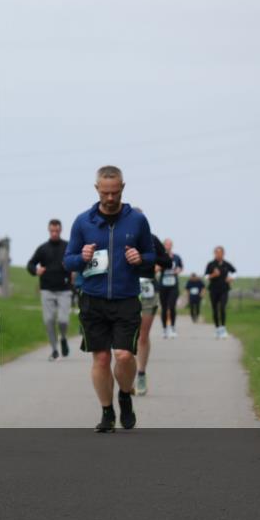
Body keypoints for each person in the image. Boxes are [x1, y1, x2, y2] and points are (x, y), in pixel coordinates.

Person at [63, 166, 155, 432]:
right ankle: (107, 412)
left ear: (123, 187)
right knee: (101, 359)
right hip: (93, 300)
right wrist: (81, 257)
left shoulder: (137, 221)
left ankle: (125, 395)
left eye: (115, 192)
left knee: (124, 355)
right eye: (105, 193)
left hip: (126, 299)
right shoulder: (83, 221)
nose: (110, 198)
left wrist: (140, 258)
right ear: (96, 189)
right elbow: (68, 261)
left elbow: (151, 256)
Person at [26, 219, 73, 361]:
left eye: (57, 231)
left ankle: (63, 338)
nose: (54, 233)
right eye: (52, 231)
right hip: (47, 289)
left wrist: (71, 266)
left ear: (60, 230)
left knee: (63, 320)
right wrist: (36, 270)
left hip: (64, 289)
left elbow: (77, 261)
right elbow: (30, 264)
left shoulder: (68, 246)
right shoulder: (43, 249)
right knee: (49, 320)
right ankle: (54, 350)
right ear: (49, 230)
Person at [134, 226, 172, 396]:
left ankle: (141, 373)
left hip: (148, 288)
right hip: (125, 288)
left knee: (143, 335)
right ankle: (126, 375)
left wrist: (150, 258)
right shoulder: (117, 237)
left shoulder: (151, 239)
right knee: (125, 334)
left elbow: (167, 262)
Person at [205, 246, 237, 339]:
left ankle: (223, 328)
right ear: (214, 254)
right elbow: (206, 276)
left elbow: (235, 272)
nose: (218, 254)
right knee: (215, 310)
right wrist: (213, 275)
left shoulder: (227, 264)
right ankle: (217, 329)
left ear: (223, 254)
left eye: (220, 253)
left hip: (224, 289)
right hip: (213, 290)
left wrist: (231, 278)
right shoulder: (210, 264)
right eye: (216, 253)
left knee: (222, 307)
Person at [156, 238, 184, 339]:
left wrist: (178, 270)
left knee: (171, 306)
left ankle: (172, 328)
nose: (168, 246)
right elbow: (155, 269)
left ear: (172, 246)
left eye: (170, 244)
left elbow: (181, 268)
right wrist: (159, 267)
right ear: (163, 246)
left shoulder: (176, 257)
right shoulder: (160, 256)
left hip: (173, 286)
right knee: (164, 308)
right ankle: (164, 329)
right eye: (166, 244)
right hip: (163, 286)